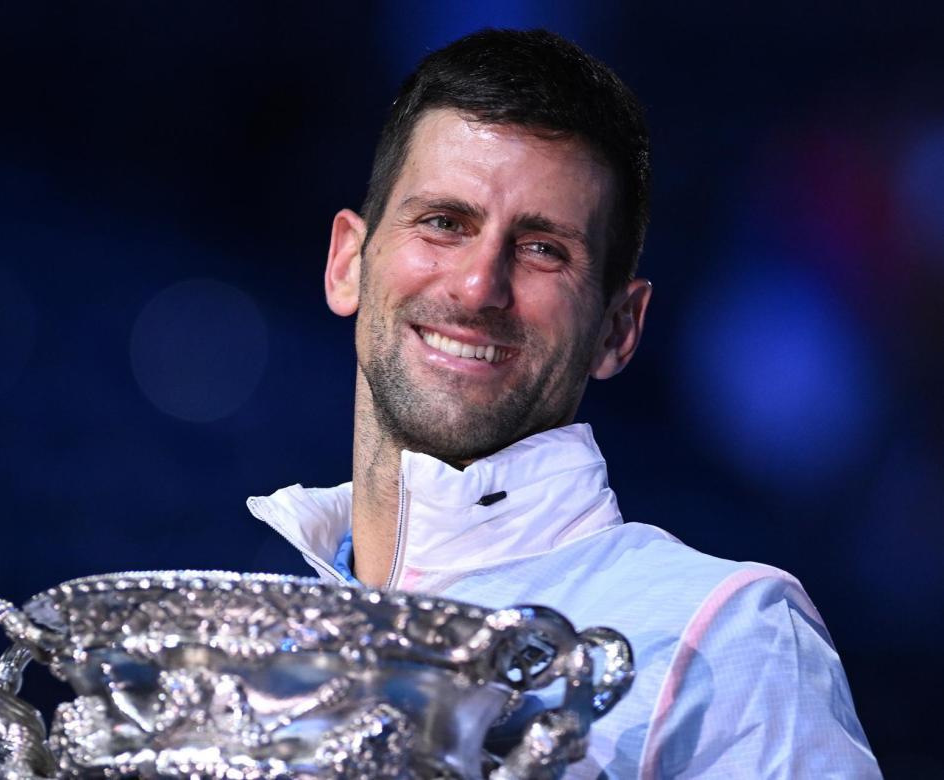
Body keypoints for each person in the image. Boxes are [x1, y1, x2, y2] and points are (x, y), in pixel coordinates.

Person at [247, 28, 880, 777]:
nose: (479, 286)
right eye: (445, 223)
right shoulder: (261, 648)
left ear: (618, 329)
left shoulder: (724, 634)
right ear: (347, 262)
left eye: (543, 248)